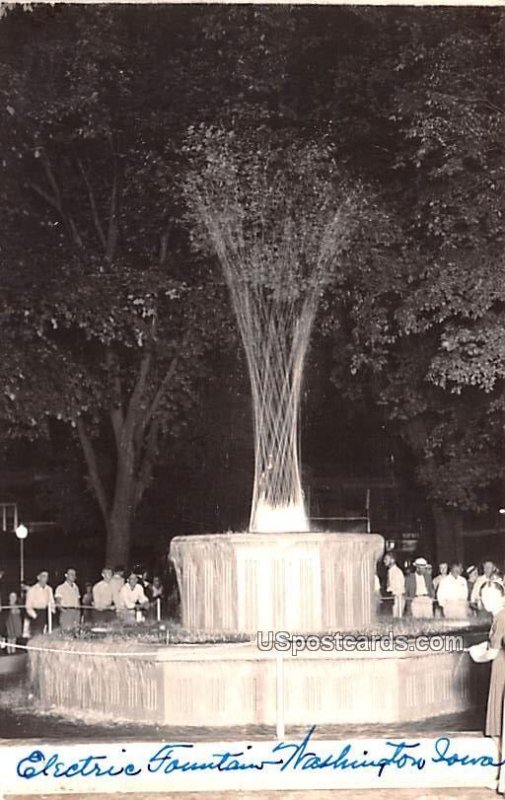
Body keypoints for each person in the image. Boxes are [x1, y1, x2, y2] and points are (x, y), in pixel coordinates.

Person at [25, 571, 55, 636]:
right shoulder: (32, 590)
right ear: (38, 577)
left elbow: (52, 602)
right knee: (36, 636)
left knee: (47, 635)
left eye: (47, 576)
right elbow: (28, 606)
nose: (46, 578)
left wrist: (52, 613)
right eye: (43, 576)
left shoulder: (49, 589)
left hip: (47, 614)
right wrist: (35, 616)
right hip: (37, 614)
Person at [383, 552, 405, 618]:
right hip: (391, 599)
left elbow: (399, 588)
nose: (384, 561)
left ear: (392, 560)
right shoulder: (390, 571)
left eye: (386, 559)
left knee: (396, 619)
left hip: (397, 599)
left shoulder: (397, 572)